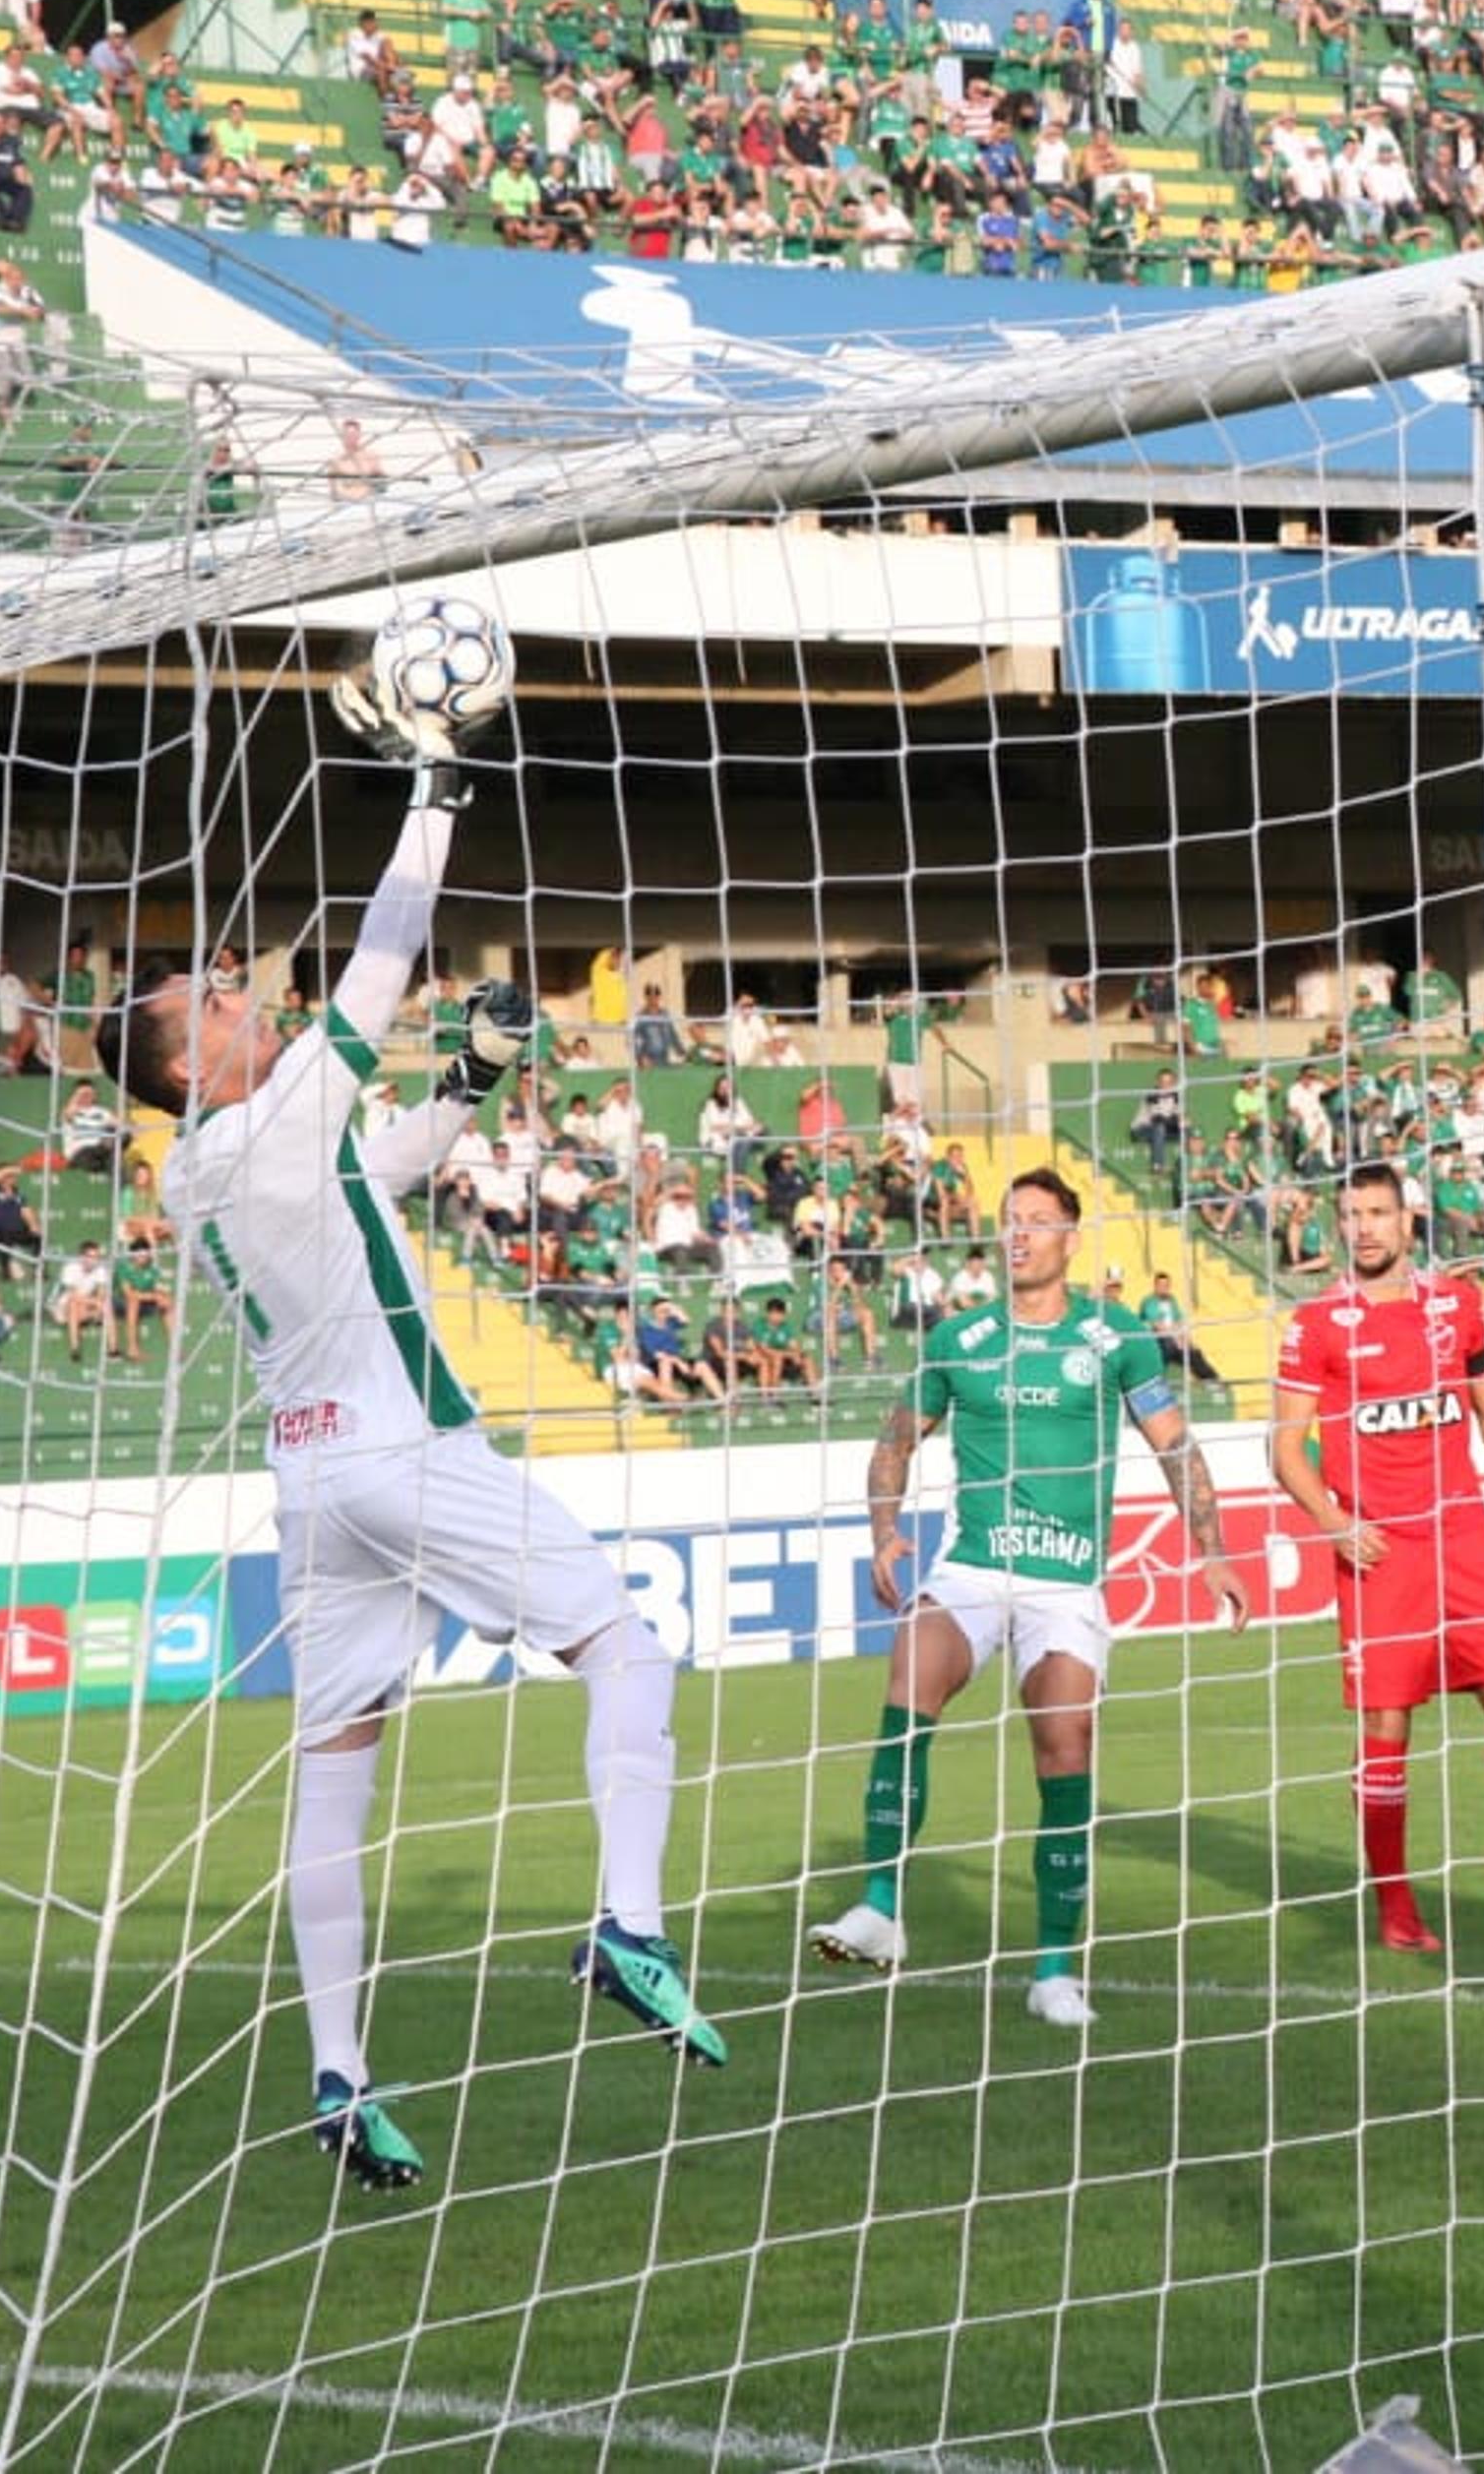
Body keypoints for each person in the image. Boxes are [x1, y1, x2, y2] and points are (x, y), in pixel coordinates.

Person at [102, 685, 722, 2196]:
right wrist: (438, 788)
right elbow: (381, 961)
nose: (254, 1001)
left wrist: (478, 1077)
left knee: (334, 1772)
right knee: (627, 1649)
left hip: (313, 1485)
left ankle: (337, 2071)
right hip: (402, 1445)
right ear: (189, 1064)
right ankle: (629, 1924)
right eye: (224, 1006)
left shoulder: (212, 1168)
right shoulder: (260, 1116)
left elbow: (392, 1158)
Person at [805, 1166, 1251, 2025]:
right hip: (974, 1567)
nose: (1019, 1234)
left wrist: (1214, 1551)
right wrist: (885, 1528)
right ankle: (879, 1905)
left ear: (1071, 1238)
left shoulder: (1116, 1335)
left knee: (1064, 1744)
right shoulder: (959, 1339)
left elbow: (1174, 1444)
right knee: (910, 1672)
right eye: (1010, 1220)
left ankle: (1052, 1967)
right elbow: (895, 1440)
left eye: (1038, 1221)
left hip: (1064, 1583)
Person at [1270, 1162, 1484, 1951]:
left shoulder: (1458, 1306)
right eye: (1352, 1214)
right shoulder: (1314, 1324)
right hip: (1381, 1552)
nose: (1366, 1226)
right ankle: (1395, 1907)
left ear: (1408, 1222)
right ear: (1337, 1227)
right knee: (1388, 1722)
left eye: (1379, 1211)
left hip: (1466, 1540)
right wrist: (1332, 1521)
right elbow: (1285, 1447)